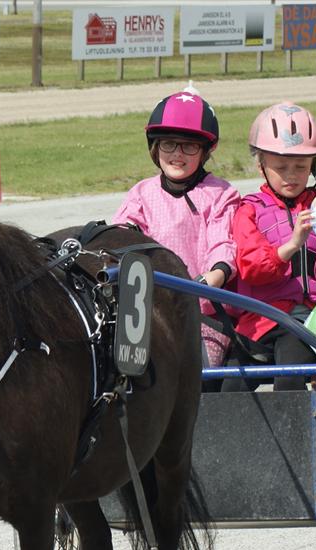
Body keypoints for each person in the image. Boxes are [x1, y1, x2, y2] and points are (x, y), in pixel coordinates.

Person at [112, 87, 240, 373]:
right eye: (169, 144)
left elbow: (224, 246)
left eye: (188, 146)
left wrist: (209, 279)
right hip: (148, 315)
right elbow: (122, 236)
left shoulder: (221, 194)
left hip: (203, 317)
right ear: (155, 147)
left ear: (206, 150)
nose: (177, 155)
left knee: (195, 373)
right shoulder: (141, 193)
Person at [223, 101, 316, 392]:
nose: (291, 175)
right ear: (261, 165)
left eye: (301, 166)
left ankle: (293, 438)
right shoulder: (248, 210)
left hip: (308, 322)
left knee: (290, 374)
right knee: (228, 387)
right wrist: (292, 245)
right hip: (257, 322)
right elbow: (250, 268)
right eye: (281, 167)